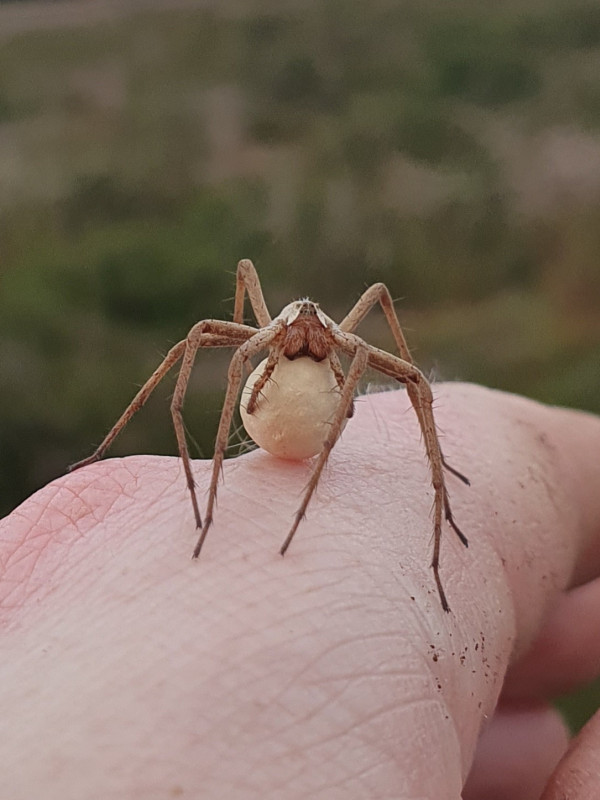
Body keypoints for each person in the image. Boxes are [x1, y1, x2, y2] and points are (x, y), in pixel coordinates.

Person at [1, 383, 599, 799]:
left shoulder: (342, 345)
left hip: (307, 412)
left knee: (405, 364)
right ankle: (157, 471)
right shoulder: (265, 339)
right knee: (203, 334)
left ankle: (439, 510)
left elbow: (409, 375)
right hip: (272, 399)